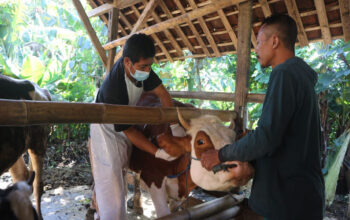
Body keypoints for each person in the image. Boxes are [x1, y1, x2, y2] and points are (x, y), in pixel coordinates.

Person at [200, 14, 325, 220]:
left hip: (287, 204)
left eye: (259, 42)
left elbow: (267, 137)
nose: (256, 49)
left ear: (274, 41)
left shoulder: (284, 74)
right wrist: (252, 165)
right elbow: (285, 140)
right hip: (302, 197)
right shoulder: (301, 76)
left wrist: (221, 155)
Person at [89, 33, 185, 220]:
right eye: (143, 66)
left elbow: (163, 95)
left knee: (121, 182)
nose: (147, 70)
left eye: (150, 66)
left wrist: (174, 126)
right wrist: (157, 153)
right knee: (111, 187)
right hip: (105, 130)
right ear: (127, 61)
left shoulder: (142, 70)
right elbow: (130, 130)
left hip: (124, 124)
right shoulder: (113, 89)